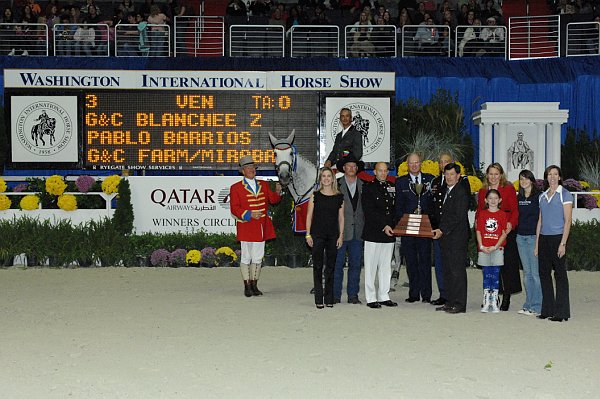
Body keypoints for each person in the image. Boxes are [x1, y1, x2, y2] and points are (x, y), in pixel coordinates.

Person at [230, 155, 282, 297]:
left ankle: (254, 284)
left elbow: (273, 200)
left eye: (253, 167)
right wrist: (249, 214)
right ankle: (247, 285)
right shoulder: (235, 188)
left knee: (258, 257)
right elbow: (234, 208)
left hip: (261, 226)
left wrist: (278, 191)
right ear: (242, 171)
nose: (252, 169)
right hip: (247, 226)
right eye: (248, 167)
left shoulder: (263, 185)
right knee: (246, 256)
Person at [476, 162, 521, 311]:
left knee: (507, 265)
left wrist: (510, 224)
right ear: (487, 175)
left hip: (505, 231)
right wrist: (477, 225)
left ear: (500, 175)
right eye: (490, 174)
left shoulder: (508, 188)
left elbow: (515, 210)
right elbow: (480, 211)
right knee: (489, 265)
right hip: (488, 232)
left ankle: (506, 295)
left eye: (496, 174)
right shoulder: (483, 191)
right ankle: (491, 296)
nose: (493, 177)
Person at [394, 153, 434, 303]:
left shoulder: (429, 180)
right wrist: (402, 222)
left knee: (425, 259)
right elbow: (398, 205)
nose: (414, 165)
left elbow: (433, 204)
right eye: (411, 163)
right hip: (408, 225)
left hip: (424, 225)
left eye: (417, 163)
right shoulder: (401, 182)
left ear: (421, 163)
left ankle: (427, 294)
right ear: (407, 165)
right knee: (410, 260)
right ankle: (414, 293)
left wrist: (430, 221)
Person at [535, 165, 573, 322]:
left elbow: (568, 220)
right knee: (544, 275)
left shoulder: (565, 194)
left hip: (558, 238)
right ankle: (547, 309)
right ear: (546, 177)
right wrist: (537, 244)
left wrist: (563, 243)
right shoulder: (542, 196)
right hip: (544, 238)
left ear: (559, 177)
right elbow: (540, 221)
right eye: (549, 174)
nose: (552, 177)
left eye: (555, 174)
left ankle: (562, 312)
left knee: (560, 275)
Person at [432, 163, 470, 314]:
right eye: (446, 174)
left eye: (452, 174)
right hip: (446, 237)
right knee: (447, 270)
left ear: (458, 176)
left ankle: (459, 304)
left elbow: (457, 216)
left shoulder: (461, 192)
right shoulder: (445, 191)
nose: (449, 177)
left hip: (457, 238)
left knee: (457, 271)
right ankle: (449, 301)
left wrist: (442, 230)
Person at [305, 167, 345, 309]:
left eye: (329, 176)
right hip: (317, 235)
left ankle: (329, 298)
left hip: (333, 235)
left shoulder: (339, 197)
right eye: (324, 176)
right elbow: (309, 216)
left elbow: (341, 218)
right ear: (320, 179)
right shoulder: (315, 196)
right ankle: (318, 299)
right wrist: (308, 234)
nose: (326, 178)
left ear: (333, 179)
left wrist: (341, 236)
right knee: (317, 266)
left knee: (331, 267)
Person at [361, 162, 398, 309]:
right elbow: (369, 212)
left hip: (390, 232)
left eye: (385, 171)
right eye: (380, 171)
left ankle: (384, 295)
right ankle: (371, 297)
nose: (383, 173)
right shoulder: (368, 188)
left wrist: (394, 226)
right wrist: (384, 225)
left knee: (385, 266)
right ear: (374, 172)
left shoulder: (391, 186)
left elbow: (394, 209)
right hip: (374, 232)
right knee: (371, 267)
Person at [333, 153, 365, 305]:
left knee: (355, 265)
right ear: (344, 168)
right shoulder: (335, 185)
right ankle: (335, 295)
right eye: (348, 166)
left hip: (358, 232)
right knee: (337, 265)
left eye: (354, 166)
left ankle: (353, 295)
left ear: (357, 168)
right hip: (339, 233)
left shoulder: (364, 185)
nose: (351, 168)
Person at [476, 189, 508, 313]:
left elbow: (504, 233)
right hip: (484, 249)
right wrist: (482, 246)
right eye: (490, 198)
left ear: (500, 200)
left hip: (497, 248)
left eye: (496, 198)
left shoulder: (502, 214)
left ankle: (494, 300)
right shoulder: (482, 214)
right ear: (486, 200)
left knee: (495, 275)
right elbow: (478, 231)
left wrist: (495, 246)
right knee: (486, 274)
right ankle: (486, 299)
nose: (493, 201)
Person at [516, 169, 542, 316]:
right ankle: (528, 304)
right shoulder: (518, 197)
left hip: (533, 237)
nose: (523, 181)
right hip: (521, 237)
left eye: (526, 178)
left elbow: (541, 219)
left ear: (531, 180)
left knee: (535, 274)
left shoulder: (538, 197)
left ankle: (537, 306)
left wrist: (539, 240)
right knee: (526, 274)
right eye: (521, 179)